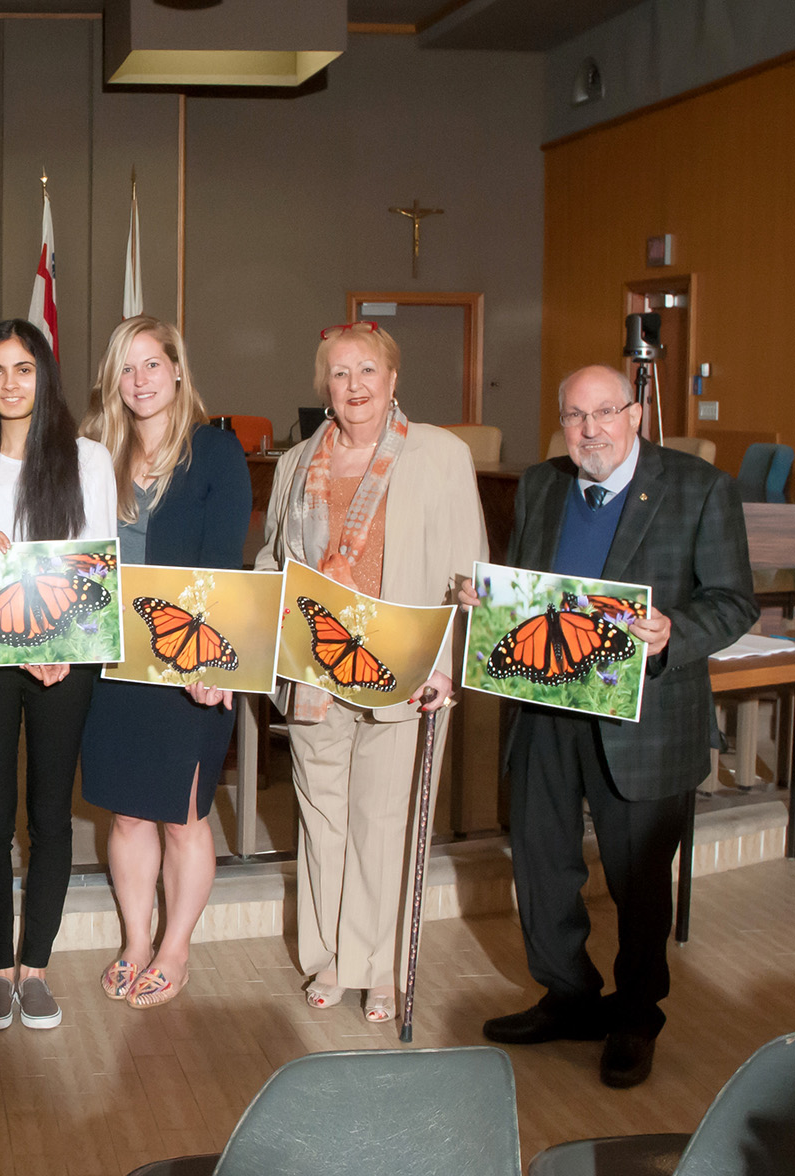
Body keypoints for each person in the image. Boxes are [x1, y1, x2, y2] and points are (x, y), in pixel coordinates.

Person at [470, 364, 754, 1088]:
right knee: (542, 866)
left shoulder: (699, 488)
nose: (589, 429)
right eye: (574, 415)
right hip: (544, 705)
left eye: (604, 412)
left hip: (644, 714)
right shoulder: (541, 484)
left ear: (636, 413)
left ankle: (634, 1016)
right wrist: (491, 600)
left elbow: (733, 601)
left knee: (639, 881)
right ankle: (568, 997)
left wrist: (673, 632)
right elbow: (529, 582)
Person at [254, 321, 485, 1025]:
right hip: (314, 669)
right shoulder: (297, 462)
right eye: (340, 373)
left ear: (393, 379)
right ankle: (330, 957)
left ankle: (380, 966)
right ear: (323, 385)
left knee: (383, 823)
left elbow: (467, 573)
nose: (353, 386)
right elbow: (272, 557)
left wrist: (445, 664)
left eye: (367, 371)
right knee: (323, 820)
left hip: (405, 671)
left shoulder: (441, 454)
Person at [0, 318, 118, 1032]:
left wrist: (59, 645)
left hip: (62, 661)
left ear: (44, 376)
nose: (10, 383)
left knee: (50, 815)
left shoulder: (87, 459)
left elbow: (98, 564)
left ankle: (36, 968)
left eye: (23, 369)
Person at [77, 316, 252, 1009]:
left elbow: (224, 561)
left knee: (183, 816)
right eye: (127, 367)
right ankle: (136, 941)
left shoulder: (215, 452)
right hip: (113, 657)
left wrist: (211, 661)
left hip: (190, 658)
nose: (140, 379)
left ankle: (175, 948)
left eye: (152, 363)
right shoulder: (97, 453)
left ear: (178, 370)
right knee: (127, 815)